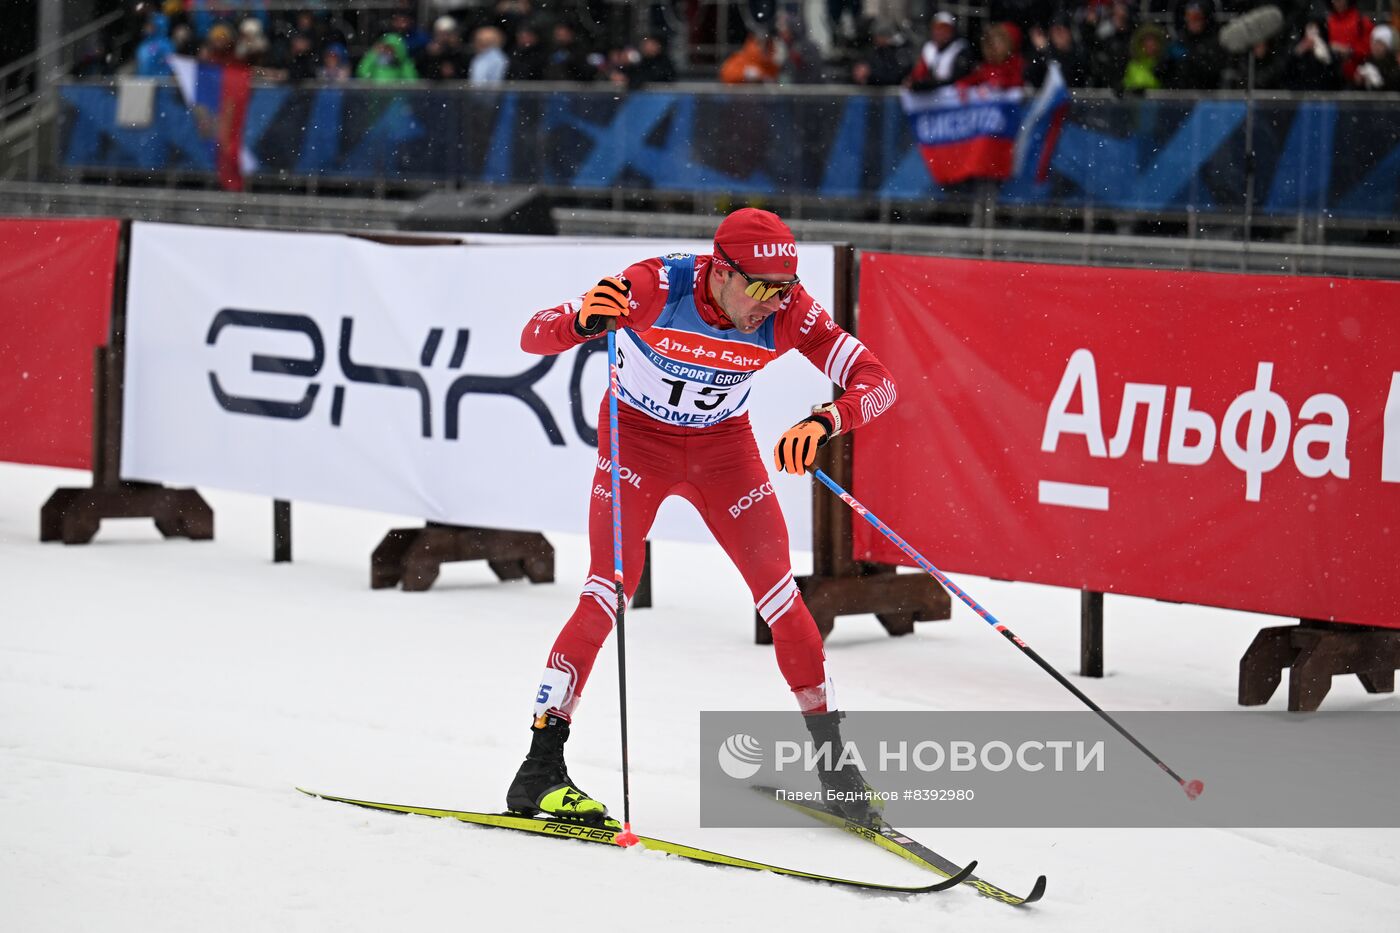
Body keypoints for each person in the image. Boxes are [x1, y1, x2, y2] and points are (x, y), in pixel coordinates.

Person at [507, 209, 899, 825]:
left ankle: (834, 765)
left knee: (782, 597)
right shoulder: (655, 286)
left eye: (786, 289)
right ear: (720, 271)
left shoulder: (790, 312)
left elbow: (878, 381)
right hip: (637, 443)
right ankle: (539, 770)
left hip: (724, 451)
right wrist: (584, 320)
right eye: (763, 289)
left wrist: (827, 420)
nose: (774, 304)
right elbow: (532, 333)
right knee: (607, 589)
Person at [905, 11, 974, 91]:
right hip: (934, 96)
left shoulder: (960, 48)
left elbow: (958, 79)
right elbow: (919, 73)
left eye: (944, 29)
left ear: (951, 30)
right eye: (936, 28)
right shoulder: (929, 48)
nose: (939, 32)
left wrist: (927, 85)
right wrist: (913, 81)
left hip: (950, 96)